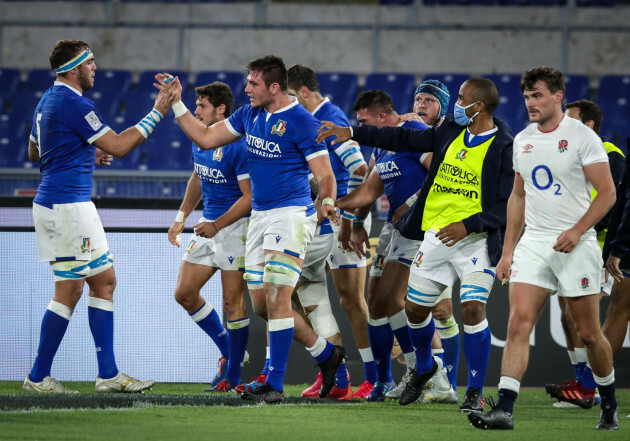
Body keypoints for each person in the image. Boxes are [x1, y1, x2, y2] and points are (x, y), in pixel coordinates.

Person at [155, 54, 344, 404]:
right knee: (262, 304)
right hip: (258, 218)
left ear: (274, 86)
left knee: (276, 295)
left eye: (253, 84)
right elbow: (206, 139)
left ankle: (274, 381)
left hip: (291, 216)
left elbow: (325, 174)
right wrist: (177, 103)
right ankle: (326, 355)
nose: (247, 89)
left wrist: (328, 202)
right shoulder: (248, 115)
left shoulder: (302, 122)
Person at [318, 78, 514, 410]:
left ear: (478, 106)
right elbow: (400, 138)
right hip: (434, 234)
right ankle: (425, 368)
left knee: (468, 308)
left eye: (462, 99)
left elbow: (505, 204)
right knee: (412, 308)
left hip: (475, 239)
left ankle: (470, 390)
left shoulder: (503, 147)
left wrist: (467, 224)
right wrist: (352, 133)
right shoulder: (450, 131)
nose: (457, 105)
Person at [467, 67, 618, 431]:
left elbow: (608, 192)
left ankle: (609, 403)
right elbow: (517, 197)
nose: (530, 104)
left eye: (537, 96)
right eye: (526, 97)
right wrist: (507, 253)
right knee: (518, 323)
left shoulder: (582, 137)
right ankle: (504, 409)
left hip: (576, 244)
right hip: (535, 243)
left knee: (587, 333)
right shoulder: (522, 139)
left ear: (558, 96)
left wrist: (578, 229)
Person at [23, 39, 175, 394]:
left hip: (66, 204)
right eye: (90, 62)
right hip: (67, 208)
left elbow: (35, 150)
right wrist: (159, 111)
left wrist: (82, 155)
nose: (95, 67)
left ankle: (108, 375)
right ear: (73, 69)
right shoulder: (73, 103)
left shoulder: (47, 100)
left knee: (104, 280)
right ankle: (37, 377)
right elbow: (120, 146)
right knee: (69, 289)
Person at [336, 89, 456, 404]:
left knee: (394, 298)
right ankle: (418, 374)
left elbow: (443, 173)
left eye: (364, 122)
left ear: (382, 117)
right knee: (376, 302)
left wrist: (415, 203)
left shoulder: (413, 132)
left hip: (420, 228)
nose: (362, 129)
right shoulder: (382, 149)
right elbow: (367, 192)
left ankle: (434, 375)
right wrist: (350, 217)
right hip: (393, 229)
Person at [286, 64, 370, 400]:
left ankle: (375, 378)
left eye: (292, 98)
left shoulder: (329, 120)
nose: (288, 105)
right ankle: (336, 375)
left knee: (352, 302)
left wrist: (348, 219)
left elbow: (361, 170)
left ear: (303, 93)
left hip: (339, 224)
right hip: (324, 222)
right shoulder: (312, 119)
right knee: (315, 296)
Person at [167, 82, 251, 392]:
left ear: (221, 110)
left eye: (201, 106)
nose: (196, 111)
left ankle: (232, 377)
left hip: (235, 228)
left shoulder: (238, 145)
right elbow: (198, 176)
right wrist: (180, 218)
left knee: (233, 304)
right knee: (184, 294)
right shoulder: (199, 139)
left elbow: (249, 198)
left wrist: (217, 226)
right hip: (208, 225)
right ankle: (231, 355)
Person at [544, 99, 625, 409]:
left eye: (572, 120)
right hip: (570, 242)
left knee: (582, 319)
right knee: (567, 317)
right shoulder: (570, 154)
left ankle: (588, 389)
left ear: (589, 126)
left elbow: (610, 203)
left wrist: (580, 229)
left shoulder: (610, 155)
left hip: (598, 245)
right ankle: (580, 382)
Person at [398, 79, 461, 395]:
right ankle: (432, 378)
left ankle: (445, 381)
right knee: (416, 307)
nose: (421, 104)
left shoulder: (450, 135)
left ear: (443, 107)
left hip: (448, 233)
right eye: (418, 99)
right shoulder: (408, 133)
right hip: (419, 235)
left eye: (429, 100)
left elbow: (440, 172)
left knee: (441, 310)